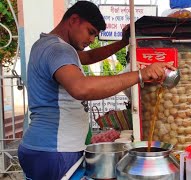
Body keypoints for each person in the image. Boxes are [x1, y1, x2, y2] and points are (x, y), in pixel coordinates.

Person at [17, 1, 175, 179]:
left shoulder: (47, 45)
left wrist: (123, 43)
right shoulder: (58, 50)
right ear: (74, 20)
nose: (92, 39)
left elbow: (89, 56)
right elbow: (81, 88)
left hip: (42, 147)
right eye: (90, 32)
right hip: (56, 150)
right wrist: (140, 75)